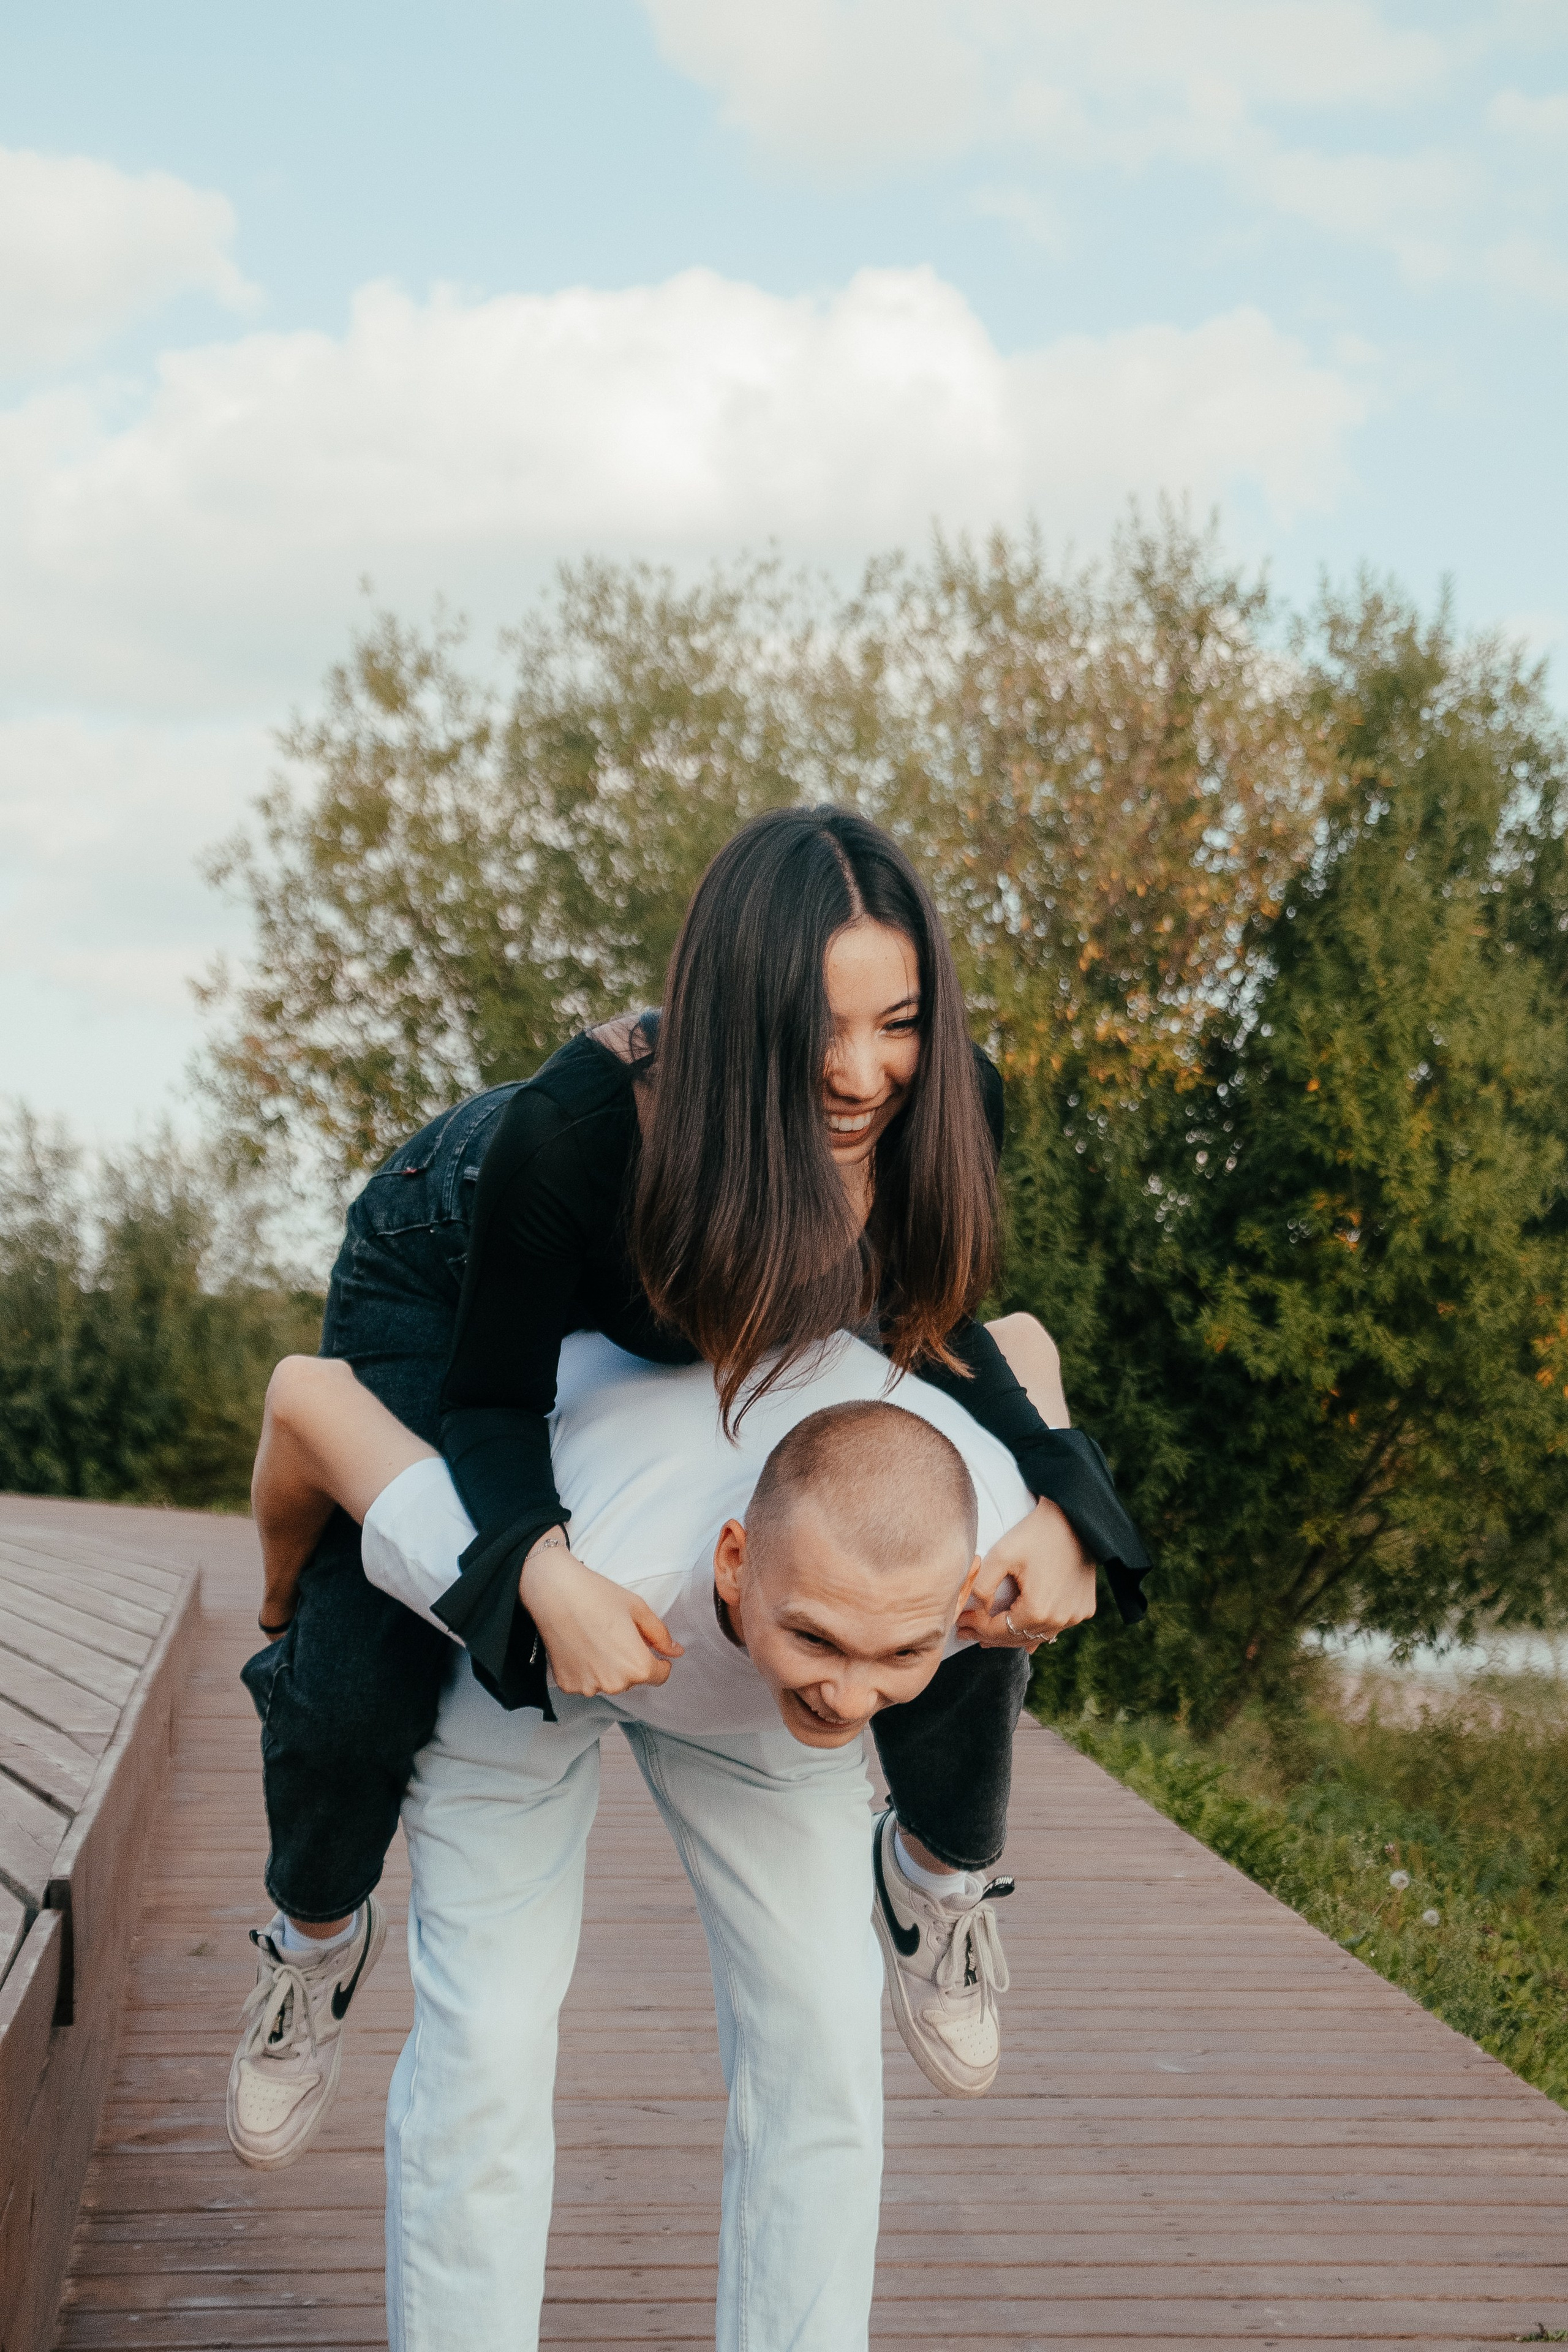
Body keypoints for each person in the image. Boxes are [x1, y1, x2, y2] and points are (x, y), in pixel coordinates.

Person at [232, 805, 1150, 2165]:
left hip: (718, 1285)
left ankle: (936, 1877)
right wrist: (542, 1570)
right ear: (731, 1013)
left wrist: (1072, 1508)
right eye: (815, 1029)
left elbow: (934, 1327)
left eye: (895, 1022)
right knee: (370, 1670)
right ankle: (308, 1938)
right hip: (461, 1255)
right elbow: (492, 1400)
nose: (859, 1073)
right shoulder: (575, 1133)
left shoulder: (935, 1102)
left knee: (919, 1518)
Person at [238, 1322, 1041, 2351]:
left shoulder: (991, 1537)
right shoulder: (579, 1553)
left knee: (827, 2027)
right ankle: (310, 1948)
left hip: (749, 1700)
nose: (850, 1694)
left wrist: (1075, 1513)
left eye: (899, 1650)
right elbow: (308, 1397)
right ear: (738, 1563)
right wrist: (275, 1608)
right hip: (549, 1628)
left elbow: (1020, 1337)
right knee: (487, 2036)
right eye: (820, 1640)